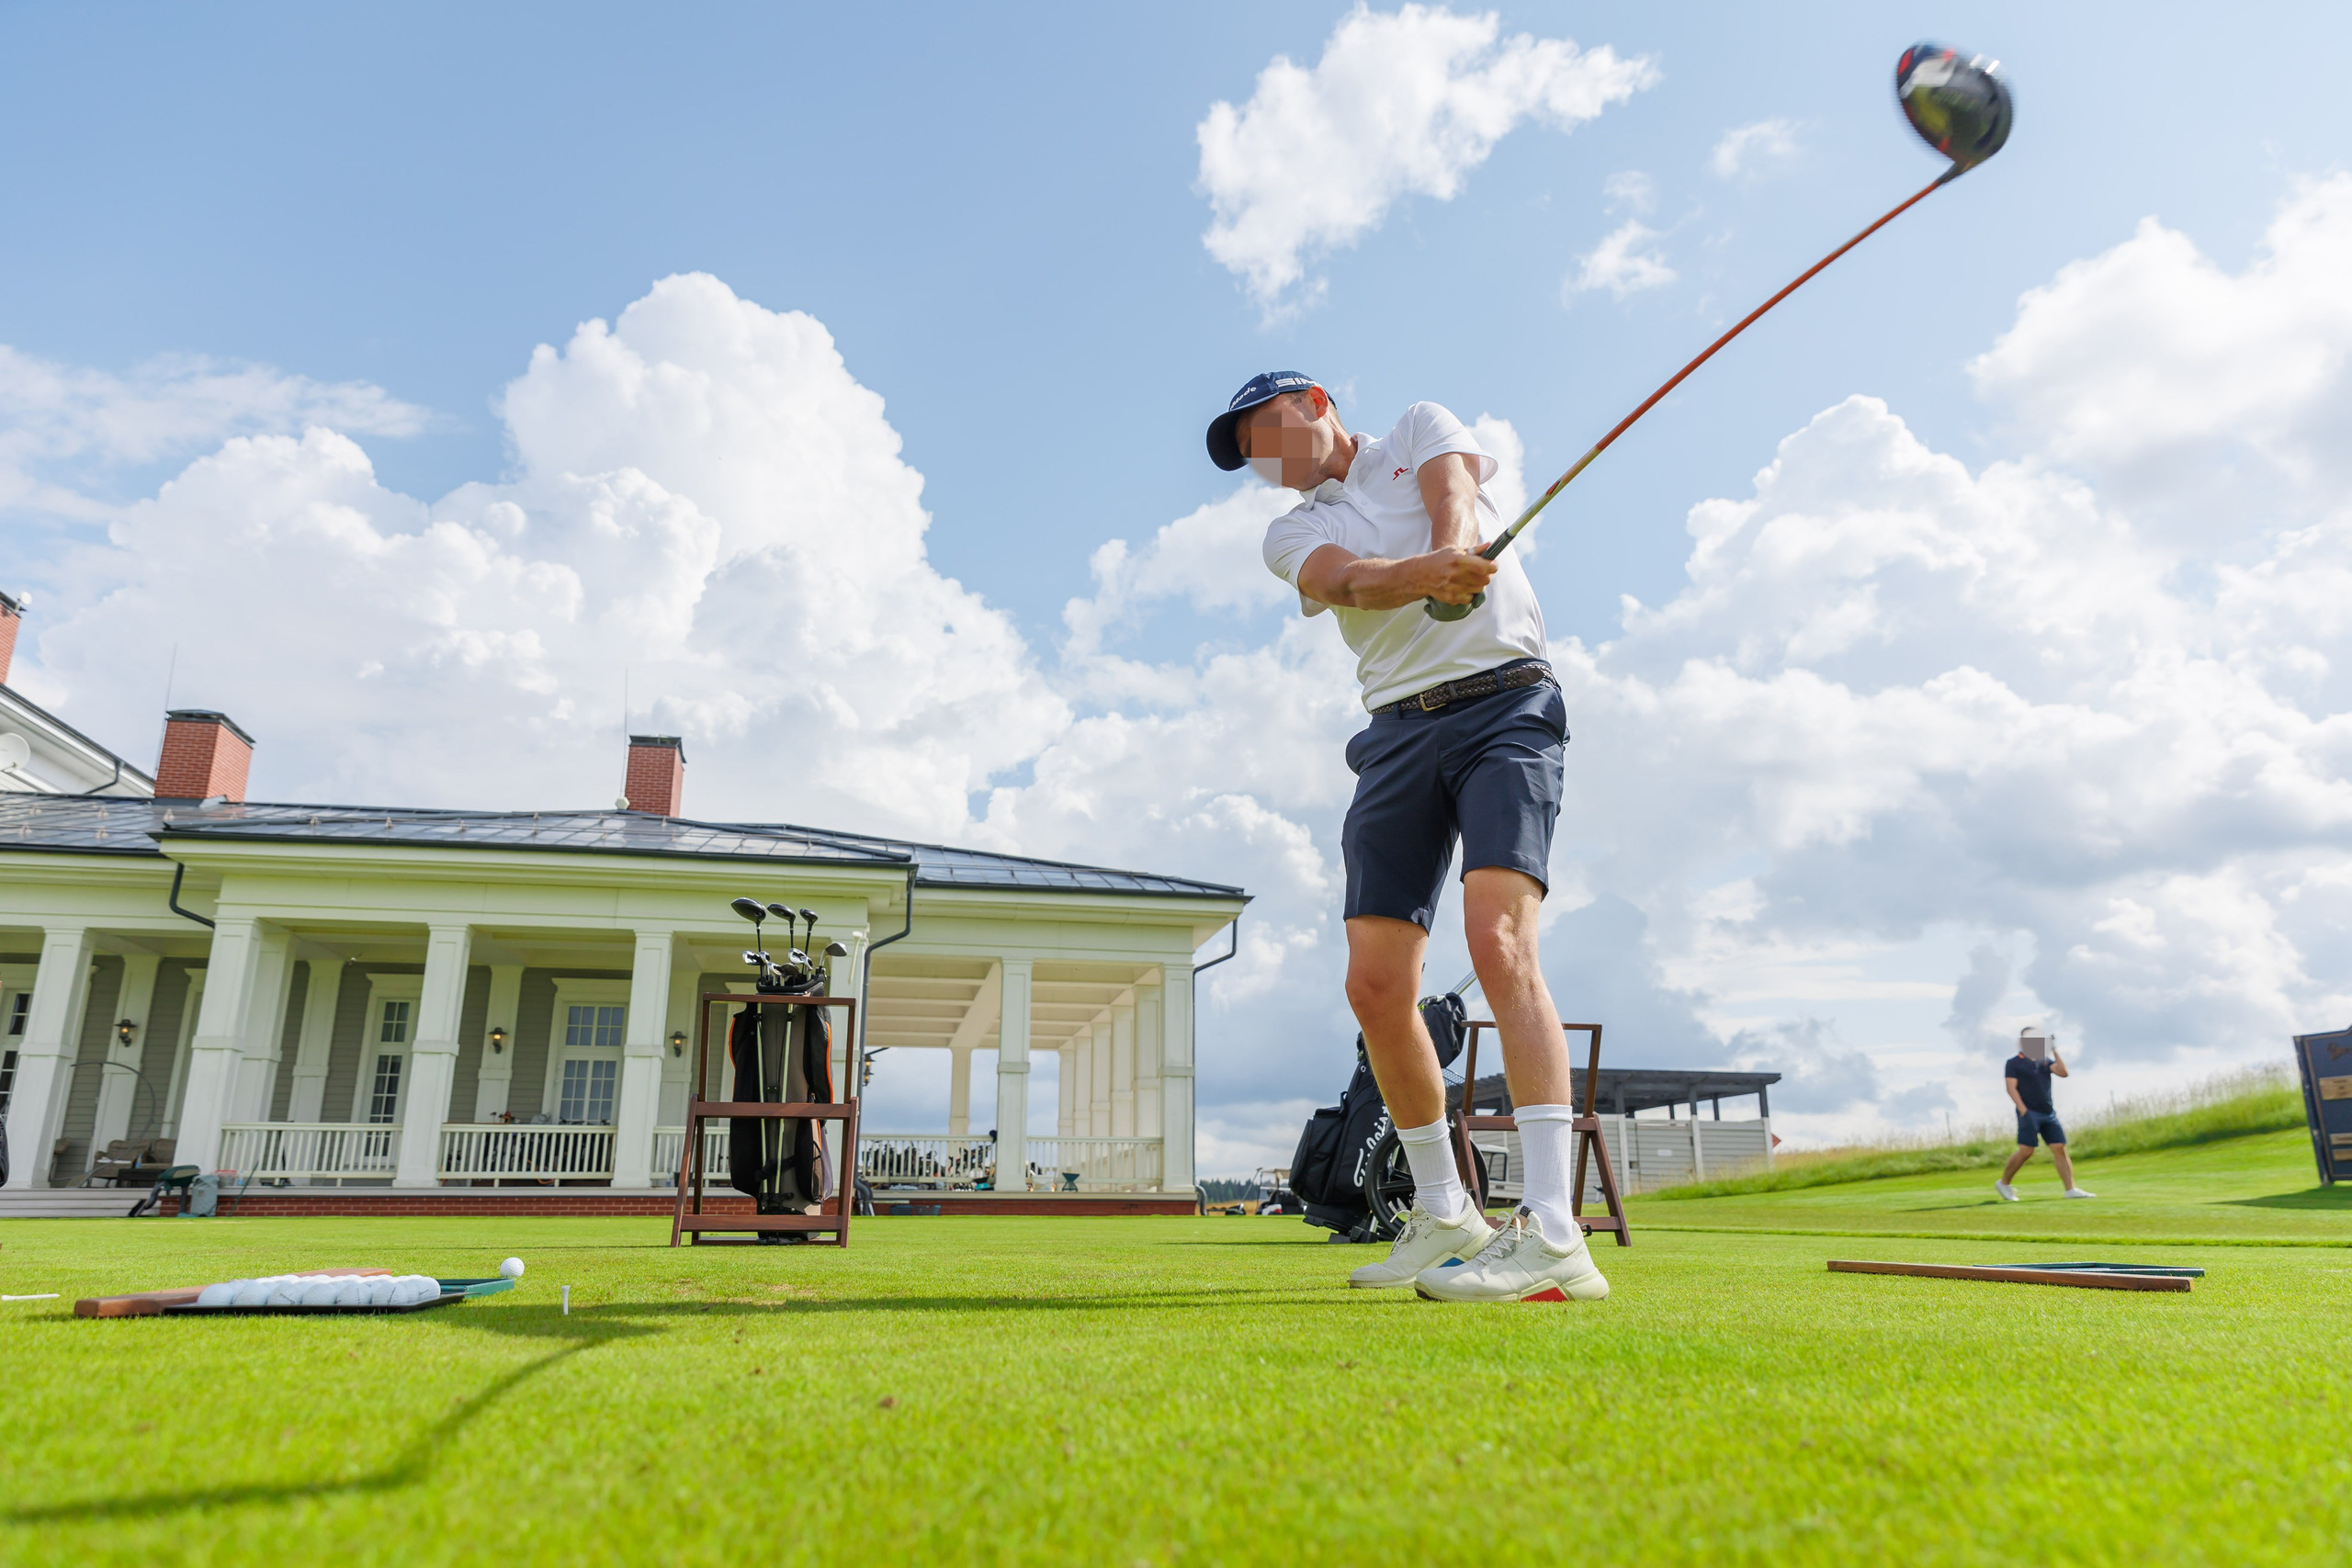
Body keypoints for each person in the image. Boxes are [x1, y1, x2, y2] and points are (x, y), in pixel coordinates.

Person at [1209, 371, 1606, 1303]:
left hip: (1507, 705)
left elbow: (1453, 494)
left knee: (1498, 942)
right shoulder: (1293, 528)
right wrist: (1422, 579)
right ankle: (1443, 1214)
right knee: (1376, 983)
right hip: (1395, 733)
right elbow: (1345, 582)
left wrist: (1453, 553)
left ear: (1311, 402)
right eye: (1247, 458)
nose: (1262, 463)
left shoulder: (1420, 427)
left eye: (1263, 434)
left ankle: (1553, 1232)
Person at [1997, 1028, 2094, 1201]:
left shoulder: (2044, 1061)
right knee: (2027, 1151)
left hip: (2048, 1113)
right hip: (2028, 1112)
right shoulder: (2014, 1063)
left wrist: (2054, 1049)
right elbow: (2011, 1088)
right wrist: (2023, 1110)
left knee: (2059, 1148)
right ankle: (2004, 1183)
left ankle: (2070, 1189)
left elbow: (2064, 1072)